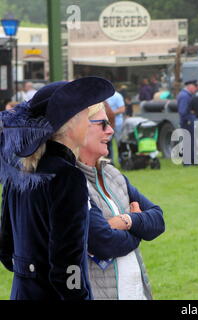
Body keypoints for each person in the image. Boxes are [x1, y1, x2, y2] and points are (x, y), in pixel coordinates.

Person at [0, 77, 115, 300]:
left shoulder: (21, 171)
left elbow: (6, 253)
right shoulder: (67, 177)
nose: (87, 122)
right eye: (84, 116)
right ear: (70, 123)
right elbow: (68, 268)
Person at [77, 103, 165, 300]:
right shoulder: (72, 182)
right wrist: (138, 228)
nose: (111, 130)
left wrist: (127, 221)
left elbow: (158, 220)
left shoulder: (112, 174)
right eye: (103, 124)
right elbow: (103, 242)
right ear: (79, 128)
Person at [176, 80, 198, 165]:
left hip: (186, 121)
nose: (195, 90)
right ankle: (187, 161)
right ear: (190, 86)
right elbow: (183, 111)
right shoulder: (185, 96)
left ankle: (190, 160)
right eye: (195, 87)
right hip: (187, 122)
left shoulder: (185, 94)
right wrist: (189, 117)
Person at [106, 90, 126, 164]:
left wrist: (110, 113)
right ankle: (110, 163)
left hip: (118, 124)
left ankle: (122, 161)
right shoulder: (104, 97)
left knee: (119, 143)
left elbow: (122, 109)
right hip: (108, 124)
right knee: (108, 144)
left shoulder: (117, 96)